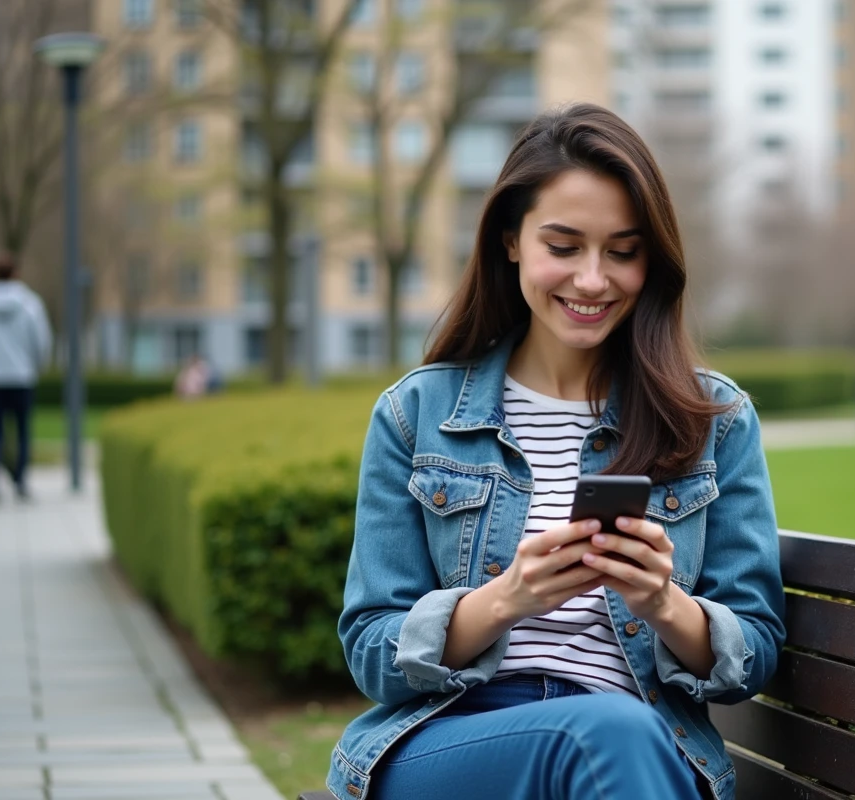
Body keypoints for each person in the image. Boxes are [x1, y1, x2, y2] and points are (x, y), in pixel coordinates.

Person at [328, 104, 786, 800]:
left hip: (641, 751)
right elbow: (372, 648)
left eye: (623, 251)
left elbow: (753, 650)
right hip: (452, 742)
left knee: (616, 734)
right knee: (605, 732)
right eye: (564, 247)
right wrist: (505, 599)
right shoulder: (415, 415)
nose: (594, 280)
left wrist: (663, 603)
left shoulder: (713, 422)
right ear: (511, 240)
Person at [0, 253, 52, 502]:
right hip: (22, 377)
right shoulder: (30, 303)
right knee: (22, 431)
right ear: (16, 273)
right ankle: (20, 482)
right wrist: (39, 365)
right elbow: (41, 340)